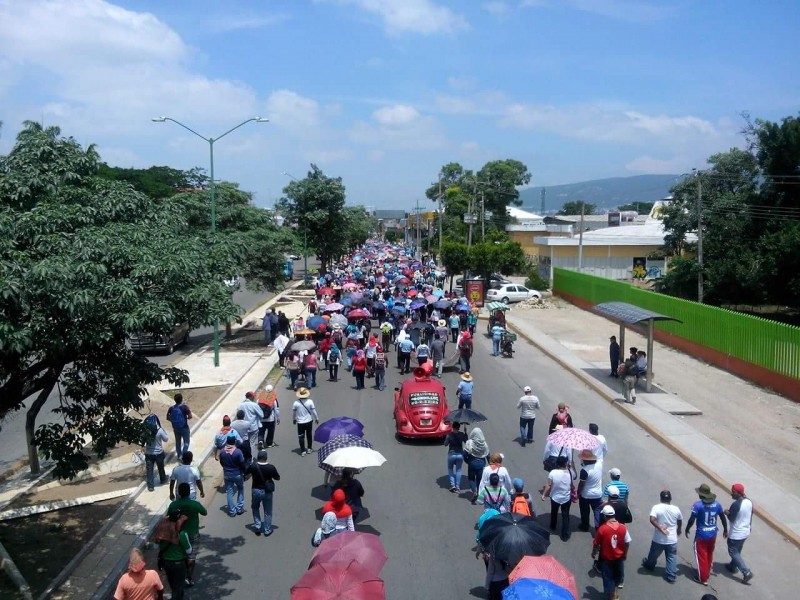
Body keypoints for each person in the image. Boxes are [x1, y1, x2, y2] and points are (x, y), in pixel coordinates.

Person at [685, 483, 728, 586]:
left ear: (701, 495)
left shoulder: (697, 505)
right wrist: (725, 529)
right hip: (713, 534)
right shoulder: (717, 504)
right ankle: (707, 571)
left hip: (701, 535)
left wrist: (687, 529)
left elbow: (692, 519)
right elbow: (722, 517)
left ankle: (703, 578)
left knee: (701, 556)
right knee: (709, 553)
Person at [167, 482, 206, 587]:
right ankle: (188, 577)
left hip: (179, 534)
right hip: (193, 534)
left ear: (179, 493)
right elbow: (204, 512)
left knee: (182, 555)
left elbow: (169, 515)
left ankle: (182, 575)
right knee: (192, 556)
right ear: (189, 493)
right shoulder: (194, 504)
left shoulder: (173, 504)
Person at [642, 489, 682, 583]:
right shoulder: (676, 509)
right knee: (671, 556)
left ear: (660, 498)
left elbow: (652, 519)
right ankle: (671, 576)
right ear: (670, 499)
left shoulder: (656, 507)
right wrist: (679, 529)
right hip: (672, 539)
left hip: (658, 539)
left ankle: (650, 566)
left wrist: (660, 528)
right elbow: (680, 520)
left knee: (653, 555)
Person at [592, 504, 631, 600]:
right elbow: (627, 543)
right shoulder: (623, 527)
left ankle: (612, 596)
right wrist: (625, 554)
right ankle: (614, 594)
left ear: (605, 516)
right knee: (617, 577)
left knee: (608, 579)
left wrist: (594, 553)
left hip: (607, 559)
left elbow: (596, 544)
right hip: (619, 558)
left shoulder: (602, 529)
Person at [158, 507, 192, 600]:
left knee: (173, 586)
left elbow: (159, 545)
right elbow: (189, 550)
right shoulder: (182, 533)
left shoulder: (163, 530)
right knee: (178, 588)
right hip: (179, 564)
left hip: (166, 563)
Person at [725, 482, 753, 583]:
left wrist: (727, 512)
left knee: (733, 551)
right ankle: (732, 566)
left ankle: (746, 572)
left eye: (733, 492)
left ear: (739, 493)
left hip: (736, 533)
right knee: (737, 550)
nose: (731, 494)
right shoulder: (749, 501)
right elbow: (750, 516)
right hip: (745, 531)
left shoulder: (736, 504)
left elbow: (731, 518)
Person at [247, 449, 280, 536]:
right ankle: (267, 529)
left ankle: (257, 526)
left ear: (258, 457)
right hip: (267, 492)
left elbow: (246, 472)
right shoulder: (271, 467)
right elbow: (277, 477)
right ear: (266, 458)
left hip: (256, 491)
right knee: (268, 511)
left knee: (255, 508)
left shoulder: (254, 466)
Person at [541, 455, 573, 542]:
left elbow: (548, 485)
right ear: (565, 463)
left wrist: (544, 494)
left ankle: (553, 525)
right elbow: (573, 479)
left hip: (555, 497)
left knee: (554, 512)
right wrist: (570, 466)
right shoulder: (570, 472)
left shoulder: (553, 473)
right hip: (566, 497)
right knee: (565, 516)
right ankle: (564, 535)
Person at [218, 434, 246, 517]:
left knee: (229, 492)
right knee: (240, 489)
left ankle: (231, 511)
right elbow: (242, 463)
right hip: (237, 474)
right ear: (234, 441)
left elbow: (221, 462)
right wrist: (244, 472)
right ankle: (239, 508)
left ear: (227, 441)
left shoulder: (222, 451)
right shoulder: (238, 452)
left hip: (227, 474)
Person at [577, 450, 604, 532]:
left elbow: (581, 484)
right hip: (597, 494)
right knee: (597, 511)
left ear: (585, 460)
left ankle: (585, 526)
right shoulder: (599, 464)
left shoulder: (584, 471)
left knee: (585, 511)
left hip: (586, 495)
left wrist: (578, 493)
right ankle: (598, 527)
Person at [142, 414, 169, 492]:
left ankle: (150, 486)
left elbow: (142, 441)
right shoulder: (160, 431)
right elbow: (166, 439)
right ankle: (163, 479)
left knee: (149, 470)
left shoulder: (146, 432)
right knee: (161, 467)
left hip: (148, 454)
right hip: (159, 454)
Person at [464, 427, 490, 504]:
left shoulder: (470, 442)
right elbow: (488, 455)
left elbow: (464, 454)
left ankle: (474, 491)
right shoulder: (484, 444)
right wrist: (490, 464)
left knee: (471, 479)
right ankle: (479, 493)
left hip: (472, 463)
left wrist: (467, 461)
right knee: (479, 480)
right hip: (481, 464)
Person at [292, 387, 319, 456]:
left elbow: (294, 413)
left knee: (301, 436)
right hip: (309, 421)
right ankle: (309, 448)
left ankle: (303, 451)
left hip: (300, 422)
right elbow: (313, 411)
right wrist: (316, 418)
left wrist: (294, 419)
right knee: (309, 435)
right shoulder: (310, 401)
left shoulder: (296, 403)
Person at [237, 391, 264, 461]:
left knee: (243, 443)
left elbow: (238, 415)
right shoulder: (254, 405)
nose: (254, 397)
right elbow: (262, 415)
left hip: (243, 427)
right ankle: (250, 458)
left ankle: (243, 457)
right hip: (253, 427)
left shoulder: (240, 405)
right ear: (251, 397)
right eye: (254, 396)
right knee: (251, 444)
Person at [444, 422, 468, 493]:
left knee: (450, 469)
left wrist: (446, 437)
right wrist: (465, 432)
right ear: (459, 427)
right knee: (459, 470)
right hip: (460, 454)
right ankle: (457, 486)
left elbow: (445, 444)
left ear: (452, 427)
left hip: (451, 454)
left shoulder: (449, 435)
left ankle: (452, 485)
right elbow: (466, 441)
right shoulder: (461, 434)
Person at [166, 393, 192, 459]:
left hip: (176, 428)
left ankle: (179, 455)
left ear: (174, 400)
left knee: (178, 442)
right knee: (186, 442)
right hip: (184, 428)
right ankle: (183, 455)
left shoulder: (171, 408)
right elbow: (190, 416)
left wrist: (174, 421)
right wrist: (187, 417)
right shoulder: (184, 407)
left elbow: (168, 418)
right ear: (181, 399)